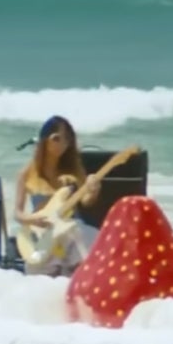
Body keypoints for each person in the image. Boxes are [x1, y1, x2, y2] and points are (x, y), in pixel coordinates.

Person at [14, 115, 102, 276]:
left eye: (67, 139)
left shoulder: (73, 169)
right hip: (45, 233)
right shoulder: (26, 173)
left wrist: (93, 191)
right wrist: (32, 219)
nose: (62, 144)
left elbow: (86, 201)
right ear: (44, 140)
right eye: (56, 138)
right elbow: (17, 213)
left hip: (72, 229)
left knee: (86, 240)